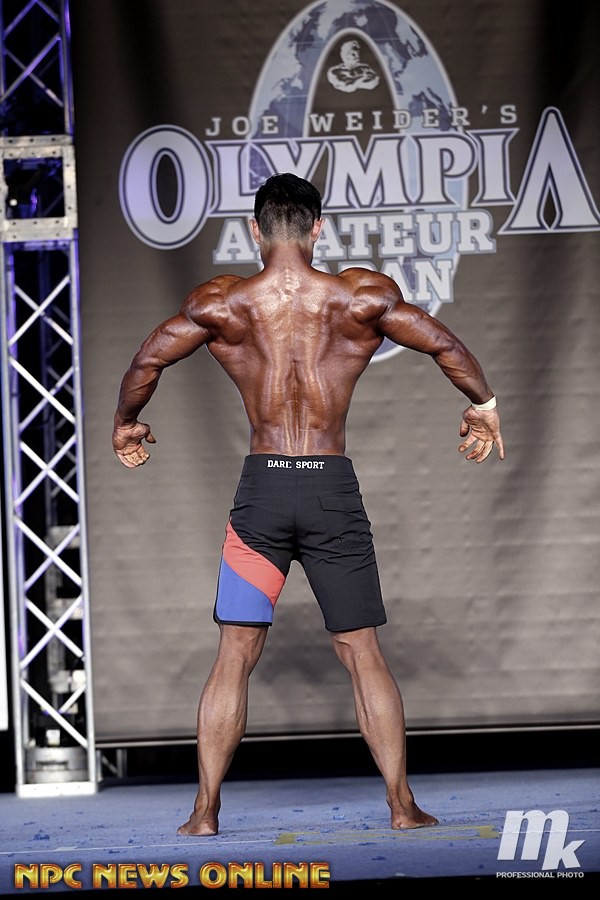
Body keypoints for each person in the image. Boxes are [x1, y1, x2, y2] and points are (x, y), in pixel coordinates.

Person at [112, 173, 504, 836]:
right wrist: (483, 405)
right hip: (330, 491)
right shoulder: (359, 296)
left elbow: (149, 359)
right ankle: (402, 806)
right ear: (319, 227)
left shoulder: (223, 304)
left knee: (234, 651)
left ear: (255, 230)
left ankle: (204, 813)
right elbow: (444, 343)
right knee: (361, 650)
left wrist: (126, 423)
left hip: (262, 495)